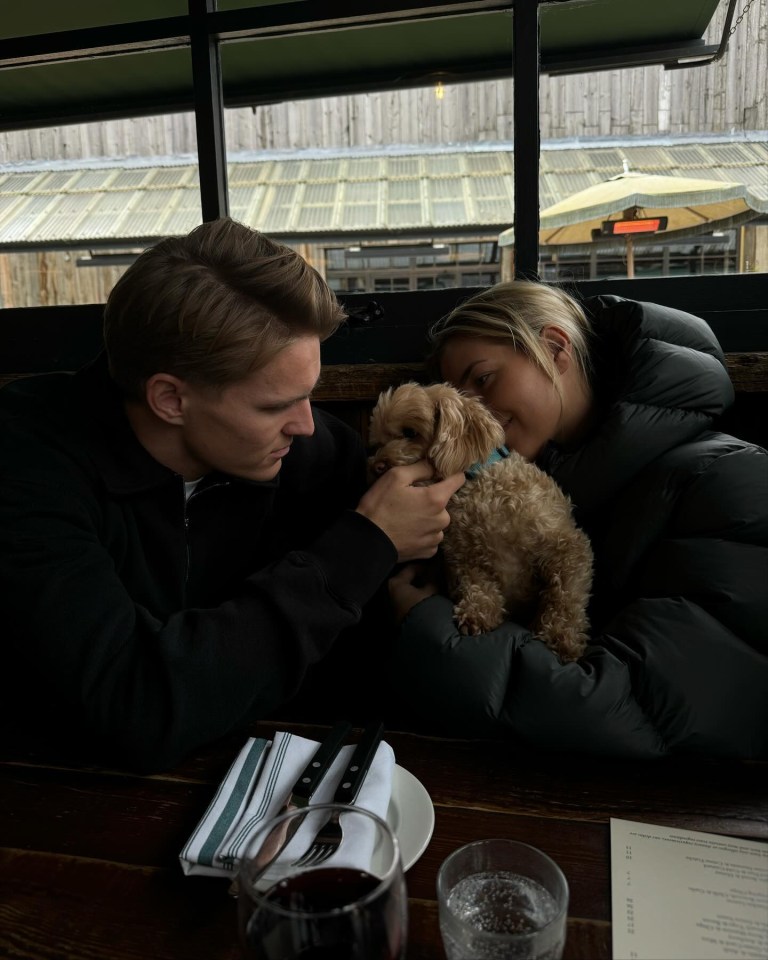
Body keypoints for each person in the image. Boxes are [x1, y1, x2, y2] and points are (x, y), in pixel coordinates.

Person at [0, 218, 464, 772]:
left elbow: (357, 677)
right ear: (171, 399)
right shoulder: (26, 465)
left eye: (309, 395)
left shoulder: (320, 457)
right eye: (274, 406)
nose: (307, 426)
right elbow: (132, 705)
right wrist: (362, 549)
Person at [387, 280, 768, 759]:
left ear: (554, 347)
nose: (469, 411)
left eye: (482, 379)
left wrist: (430, 627)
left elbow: (630, 713)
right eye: (458, 395)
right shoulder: (522, 493)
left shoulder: (729, 480)